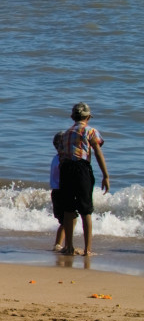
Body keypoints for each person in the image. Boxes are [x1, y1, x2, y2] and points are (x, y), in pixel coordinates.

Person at [55, 102, 108, 257]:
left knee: (69, 210)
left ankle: (69, 247)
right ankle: (87, 249)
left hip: (65, 170)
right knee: (86, 210)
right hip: (81, 169)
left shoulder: (65, 134)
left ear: (73, 117)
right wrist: (106, 175)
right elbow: (97, 152)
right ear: (88, 117)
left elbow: (61, 156)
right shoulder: (90, 131)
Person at [49, 133, 67, 253]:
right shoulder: (61, 160)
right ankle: (59, 244)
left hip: (56, 192)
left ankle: (58, 244)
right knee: (66, 221)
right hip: (61, 191)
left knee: (64, 221)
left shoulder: (56, 158)